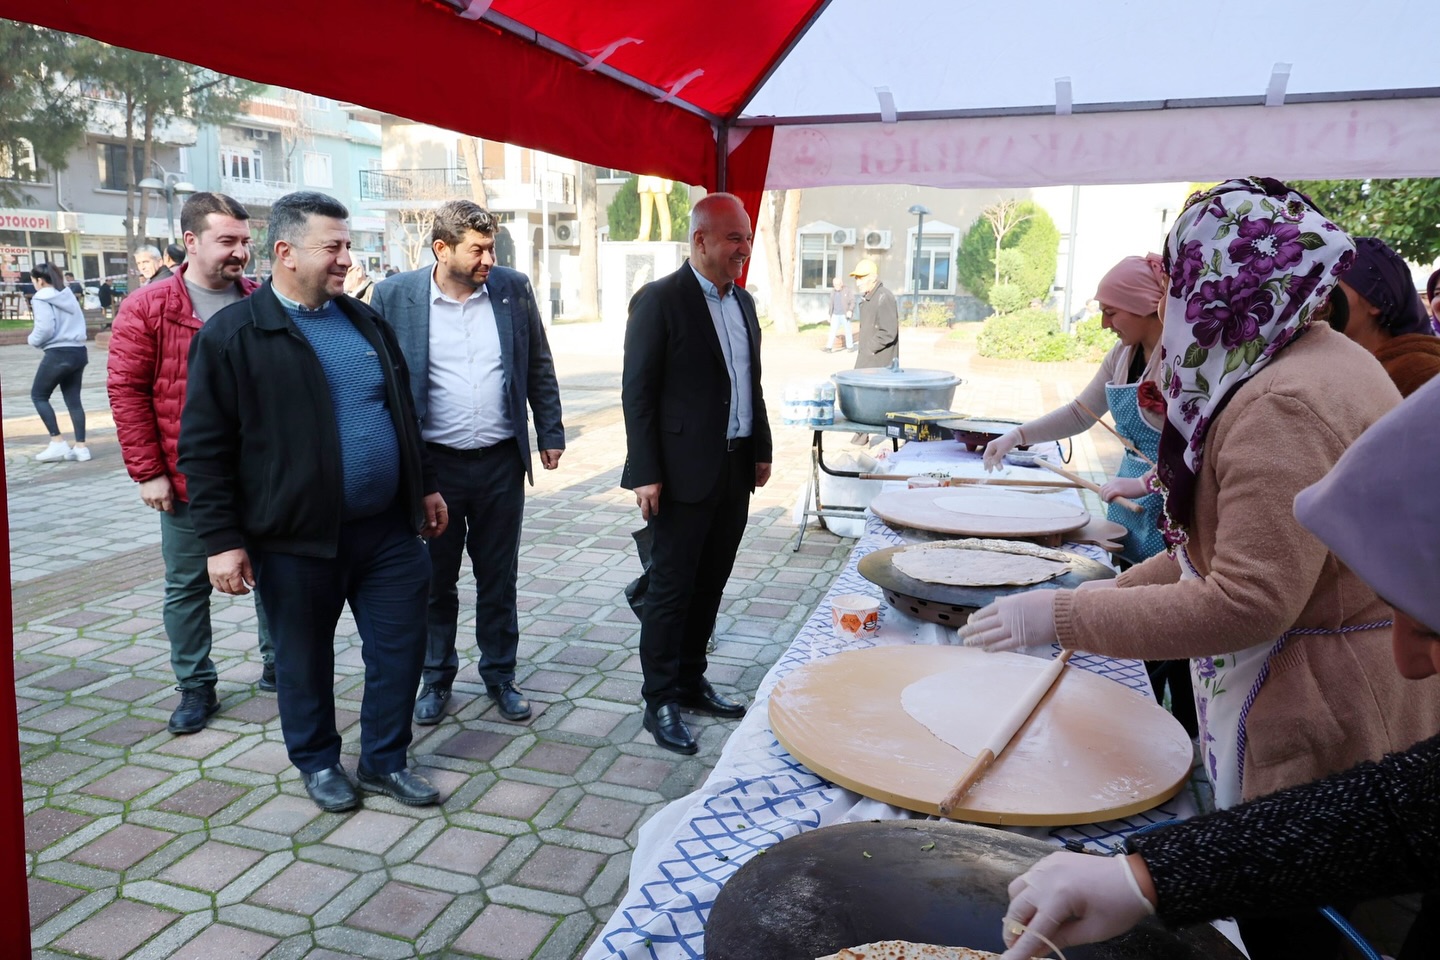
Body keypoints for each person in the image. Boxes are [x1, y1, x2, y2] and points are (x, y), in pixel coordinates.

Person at [961, 178, 1440, 956]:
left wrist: (1060, 615)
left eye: (1181, 281)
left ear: (1224, 283)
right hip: (1328, 691)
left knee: (1300, 924)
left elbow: (1249, 597)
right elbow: (1206, 555)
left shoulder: (1285, 397)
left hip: (1320, 710)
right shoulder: (1301, 358)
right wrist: (1105, 595)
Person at [998, 376, 1440, 960]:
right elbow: (1396, 809)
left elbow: (1245, 596)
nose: (1407, 662)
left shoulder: (1286, 404)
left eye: (1432, 626)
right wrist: (1148, 877)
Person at [179, 191, 447, 812]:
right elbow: (204, 451)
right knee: (303, 659)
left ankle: (384, 759)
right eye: (333, 247)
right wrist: (221, 541)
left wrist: (425, 484)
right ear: (285, 252)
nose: (345, 259)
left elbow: (403, 414)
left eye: (347, 246)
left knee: (400, 647)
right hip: (296, 538)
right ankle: (319, 761)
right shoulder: (233, 336)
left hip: (385, 530)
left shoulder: (365, 322)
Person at [981, 254, 1194, 736]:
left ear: (1146, 307)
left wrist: (1147, 484)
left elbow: (1197, 451)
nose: (1103, 323)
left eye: (1111, 311)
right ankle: (1136, 715)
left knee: (1173, 623)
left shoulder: (1183, 361)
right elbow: (1080, 412)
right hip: (1130, 501)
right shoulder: (1122, 355)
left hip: (1172, 503)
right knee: (1132, 612)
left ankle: (1183, 730)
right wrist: (1020, 435)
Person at [371, 199, 565, 726]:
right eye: (477, 249)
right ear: (441, 249)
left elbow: (538, 363)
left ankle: (500, 675)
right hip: (434, 471)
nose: (488, 259)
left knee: (498, 577)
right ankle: (436, 679)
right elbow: (379, 382)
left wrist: (549, 430)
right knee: (435, 580)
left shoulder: (511, 289)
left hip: (501, 464)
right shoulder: (395, 297)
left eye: (492, 247)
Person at [108, 192, 275, 735]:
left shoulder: (259, 300)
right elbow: (127, 391)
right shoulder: (148, 306)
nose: (241, 253)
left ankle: (281, 665)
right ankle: (196, 685)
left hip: (264, 476)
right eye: (227, 241)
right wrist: (147, 470)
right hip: (186, 480)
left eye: (245, 242)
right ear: (190, 241)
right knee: (187, 585)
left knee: (277, 575)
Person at [621, 192, 772, 755]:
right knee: (669, 590)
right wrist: (645, 472)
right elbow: (637, 394)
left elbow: (749, 382)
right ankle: (659, 697)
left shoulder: (744, 303)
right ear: (701, 239)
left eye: (749, 237)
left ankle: (690, 678)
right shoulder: (660, 301)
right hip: (679, 475)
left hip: (733, 469)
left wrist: (760, 447)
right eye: (735, 237)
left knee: (711, 582)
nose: (744, 248)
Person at [1331, 236, 1440, 397]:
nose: (1321, 302)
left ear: (1376, 301)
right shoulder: (1341, 368)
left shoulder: (1419, 374)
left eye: (1333, 290)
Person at [27, 263, 89, 463]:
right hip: (78, 351)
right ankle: (81, 447)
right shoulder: (68, 295)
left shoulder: (41, 297)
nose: (33, 284)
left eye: (33, 280)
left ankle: (57, 441)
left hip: (58, 352)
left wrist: (32, 341)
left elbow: (45, 328)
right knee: (73, 400)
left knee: (38, 395)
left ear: (40, 280)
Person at [850, 258, 898, 368]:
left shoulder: (883, 296)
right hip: (868, 360)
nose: (858, 283)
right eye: (856, 278)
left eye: (861, 278)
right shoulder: (869, 297)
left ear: (873, 278)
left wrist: (869, 349)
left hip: (878, 363)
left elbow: (888, 332)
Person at [826, 274, 854, 352]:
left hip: (844, 314)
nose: (836, 286)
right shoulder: (833, 292)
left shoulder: (847, 290)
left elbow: (852, 301)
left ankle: (850, 347)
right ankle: (829, 347)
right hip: (835, 314)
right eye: (835, 284)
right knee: (832, 331)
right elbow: (831, 304)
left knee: (848, 330)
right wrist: (829, 314)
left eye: (838, 284)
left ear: (841, 284)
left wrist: (850, 310)